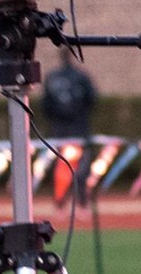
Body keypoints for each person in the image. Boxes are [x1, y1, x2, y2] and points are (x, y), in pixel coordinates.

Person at [39, 48, 99, 205]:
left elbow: (46, 105)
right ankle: (82, 200)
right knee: (82, 165)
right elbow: (92, 99)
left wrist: (56, 118)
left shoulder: (53, 78)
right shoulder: (81, 77)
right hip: (79, 128)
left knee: (62, 165)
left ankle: (60, 200)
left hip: (60, 128)